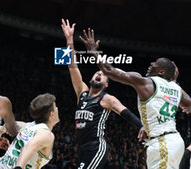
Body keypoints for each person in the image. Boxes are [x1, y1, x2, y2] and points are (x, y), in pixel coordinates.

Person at [78, 27, 191, 169]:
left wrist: (93, 51)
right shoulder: (175, 87)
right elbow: (189, 104)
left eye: (155, 64)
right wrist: (173, 82)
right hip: (171, 140)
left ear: (161, 71)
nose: (151, 64)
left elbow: (109, 70)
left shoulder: (146, 82)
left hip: (163, 142)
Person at [61, 19, 143, 169]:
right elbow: (72, 66)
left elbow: (126, 113)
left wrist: (141, 126)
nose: (99, 73)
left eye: (103, 74)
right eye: (96, 72)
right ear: (91, 78)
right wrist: (69, 39)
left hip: (96, 146)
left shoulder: (106, 98)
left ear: (106, 84)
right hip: (81, 147)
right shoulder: (82, 93)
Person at [0, 93, 59, 169]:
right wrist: (18, 167)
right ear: (51, 115)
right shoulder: (47, 134)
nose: (57, 109)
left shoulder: (27, 126)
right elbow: (28, 148)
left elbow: (4, 127)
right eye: (55, 107)